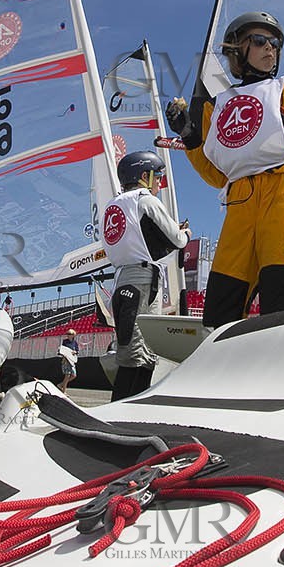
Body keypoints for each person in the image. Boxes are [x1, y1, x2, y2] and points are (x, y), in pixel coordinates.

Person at [168, 12, 284, 329]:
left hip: (283, 201)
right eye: (259, 41)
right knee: (219, 313)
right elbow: (217, 176)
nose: (270, 49)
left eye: (274, 43)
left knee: (280, 308)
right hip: (239, 205)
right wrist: (189, 137)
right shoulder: (215, 106)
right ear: (236, 50)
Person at [101, 152, 188, 399]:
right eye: (157, 175)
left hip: (121, 280)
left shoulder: (112, 205)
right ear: (143, 176)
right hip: (142, 282)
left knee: (129, 351)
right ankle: (123, 417)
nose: (159, 181)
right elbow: (178, 240)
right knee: (140, 356)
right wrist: (186, 232)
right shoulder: (145, 200)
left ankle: (119, 411)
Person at [57, 329, 79, 394]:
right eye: (68, 334)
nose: (68, 335)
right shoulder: (65, 342)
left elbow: (77, 351)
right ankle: (64, 391)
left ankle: (61, 385)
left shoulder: (75, 343)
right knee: (67, 375)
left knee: (74, 375)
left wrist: (75, 352)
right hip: (66, 360)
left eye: (70, 334)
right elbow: (62, 350)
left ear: (73, 335)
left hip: (71, 360)